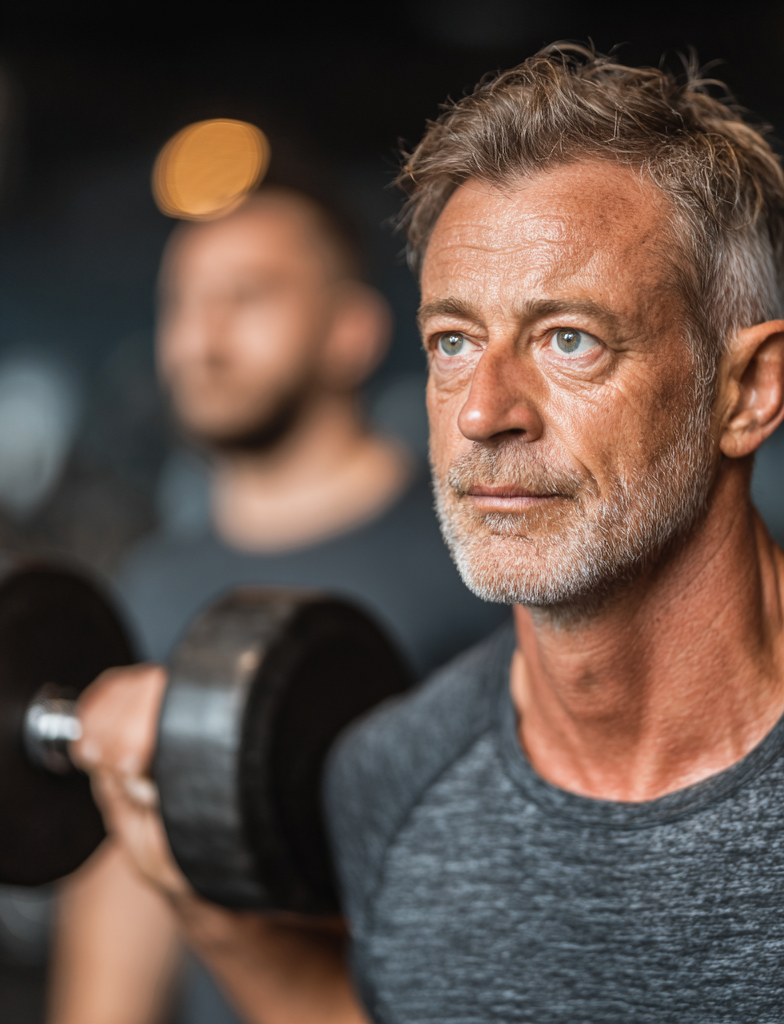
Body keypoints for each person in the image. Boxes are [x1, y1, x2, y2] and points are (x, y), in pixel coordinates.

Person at [69, 45, 784, 1022]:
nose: (484, 412)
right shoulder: (387, 784)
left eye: (568, 338)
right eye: (454, 342)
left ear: (747, 390)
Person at [48, 184, 507, 1024]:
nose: (201, 336)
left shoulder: (475, 561)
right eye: (179, 304)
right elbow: (125, 880)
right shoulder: (153, 579)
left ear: (352, 332)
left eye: (246, 297)